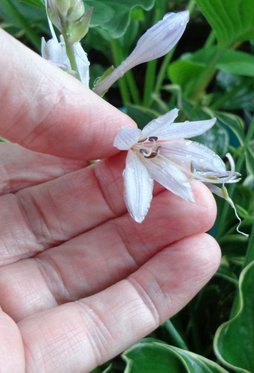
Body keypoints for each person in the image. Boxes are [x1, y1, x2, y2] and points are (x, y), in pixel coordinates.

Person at [0, 29, 220, 372]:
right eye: (147, 143)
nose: (149, 147)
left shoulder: (140, 148)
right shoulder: (131, 144)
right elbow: (127, 142)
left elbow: (140, 151)